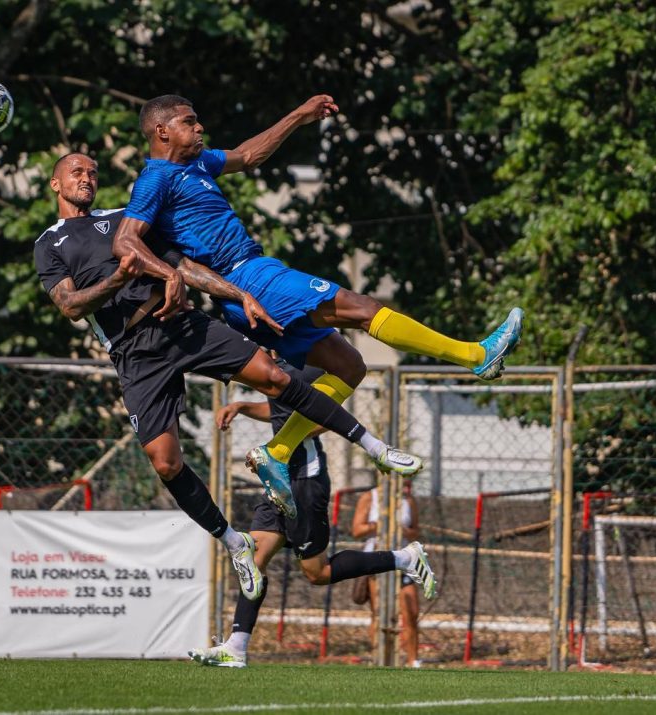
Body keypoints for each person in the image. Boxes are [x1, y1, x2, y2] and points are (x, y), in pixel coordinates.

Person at [33, 152, 425, 600]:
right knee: (166, 462)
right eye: (77, 172)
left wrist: (241, 294)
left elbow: (184, 268)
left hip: (181, 325)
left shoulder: (126, 220)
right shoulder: (51, 242)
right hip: (134, 353)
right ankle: (233, 542)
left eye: (92, 171)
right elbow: (70, 306)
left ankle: (373, 446)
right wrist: (119, 279)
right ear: (55, 184)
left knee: (275, 377)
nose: (87, 177)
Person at [111, 93, 522, 511]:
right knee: (360, 307)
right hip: (248, 278)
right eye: (189, 121)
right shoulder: (155, 179)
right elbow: (124, 240)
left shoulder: (197, 164)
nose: (199, 128)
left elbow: (249, 155)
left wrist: (298, 116)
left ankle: (278, 452)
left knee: (349, 366)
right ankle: (475, 356)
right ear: (162, 131)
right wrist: (168, 274)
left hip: (253, 279)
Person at [188, 360, 437, 668]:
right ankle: (236, 647)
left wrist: (279, 443)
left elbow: (328, 417)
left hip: (306, 480)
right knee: (252, 560)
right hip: (275, 479)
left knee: (317, 573)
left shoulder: (311, 363)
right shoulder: (270, 362)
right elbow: (280, 413)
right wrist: (242, 406)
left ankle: (404, 558)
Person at [352, 480, 424, 668]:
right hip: (377, 558)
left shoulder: (409, 501)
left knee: (411, 611)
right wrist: (380, 525)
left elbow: (416, 531)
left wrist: (404, 530)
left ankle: (412, 660)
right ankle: (381, 658)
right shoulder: (370, 497)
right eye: (404, 484)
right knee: (380, 612)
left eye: (409, 485)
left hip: (404, 561)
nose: (408, 489)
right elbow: (357, 530)